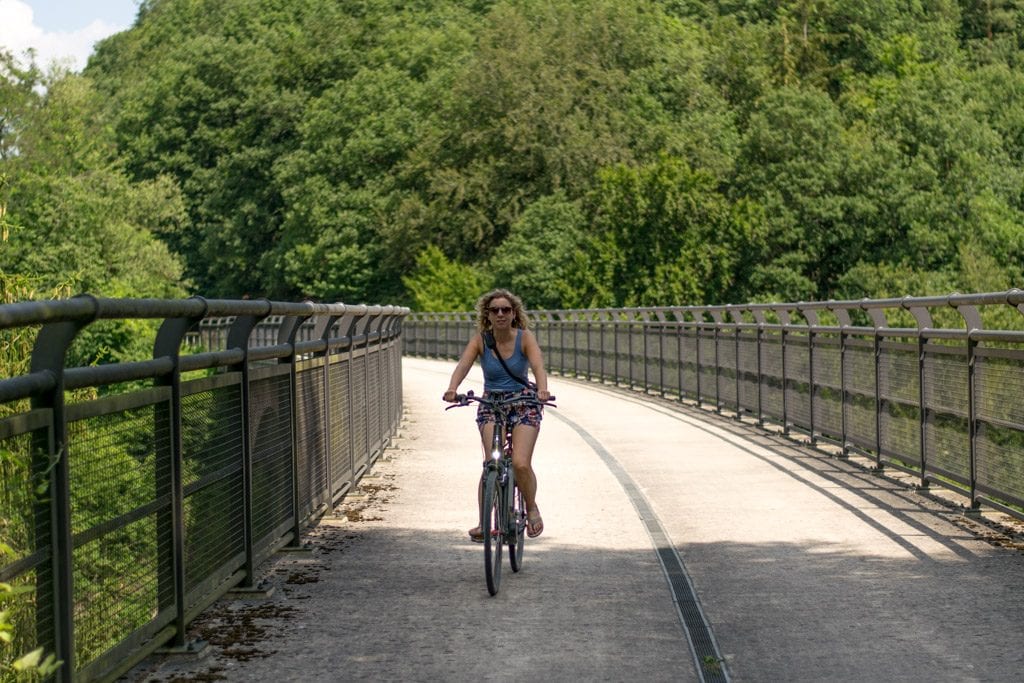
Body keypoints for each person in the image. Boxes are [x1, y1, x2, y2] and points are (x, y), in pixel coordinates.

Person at [443, 288, 551, 540]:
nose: (500, 314)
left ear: (514, 314)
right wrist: (452, 388)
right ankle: (483, 522)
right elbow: (463, 364)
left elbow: (538, 365)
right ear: (487, 315)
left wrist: (543, 389)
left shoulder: (524, 338)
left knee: (520, 463)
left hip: (524, 402)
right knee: (492, 462)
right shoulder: (481, 340)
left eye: (506, 310)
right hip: (491, 403)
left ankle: (531, 506)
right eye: (495, 310)